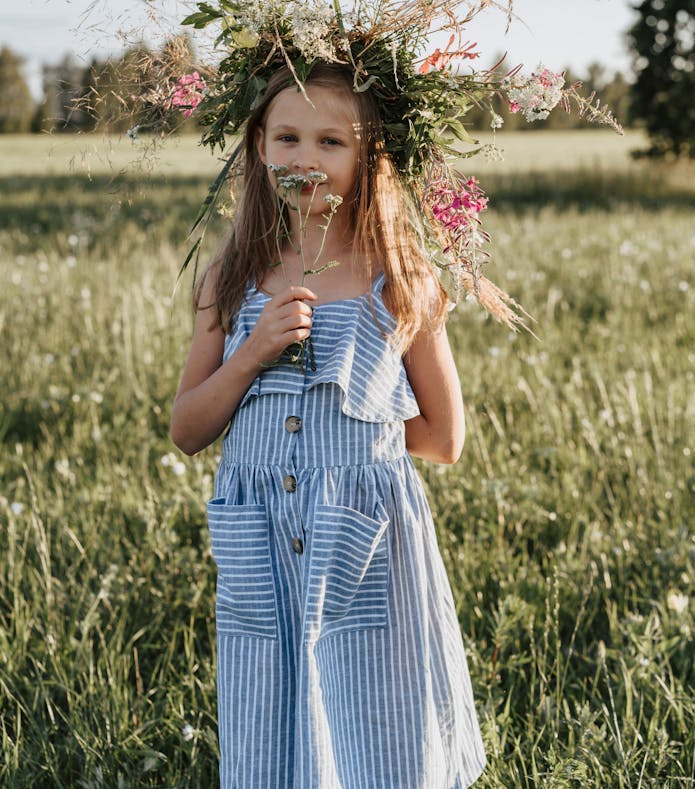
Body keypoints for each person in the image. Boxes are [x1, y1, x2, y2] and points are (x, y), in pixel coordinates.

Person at [171, 60, 488, 788]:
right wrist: (252, 354)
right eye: (286, 137)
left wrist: (350, 440)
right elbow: (187, 428)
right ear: (258, 147)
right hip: (265, 545)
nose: (305, 158)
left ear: (369, 155)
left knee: (380, 724)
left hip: (366, 541)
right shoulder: (231, 276)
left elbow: (444, 436)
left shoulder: (399, 276)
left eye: (331, 142)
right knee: (274, 721)